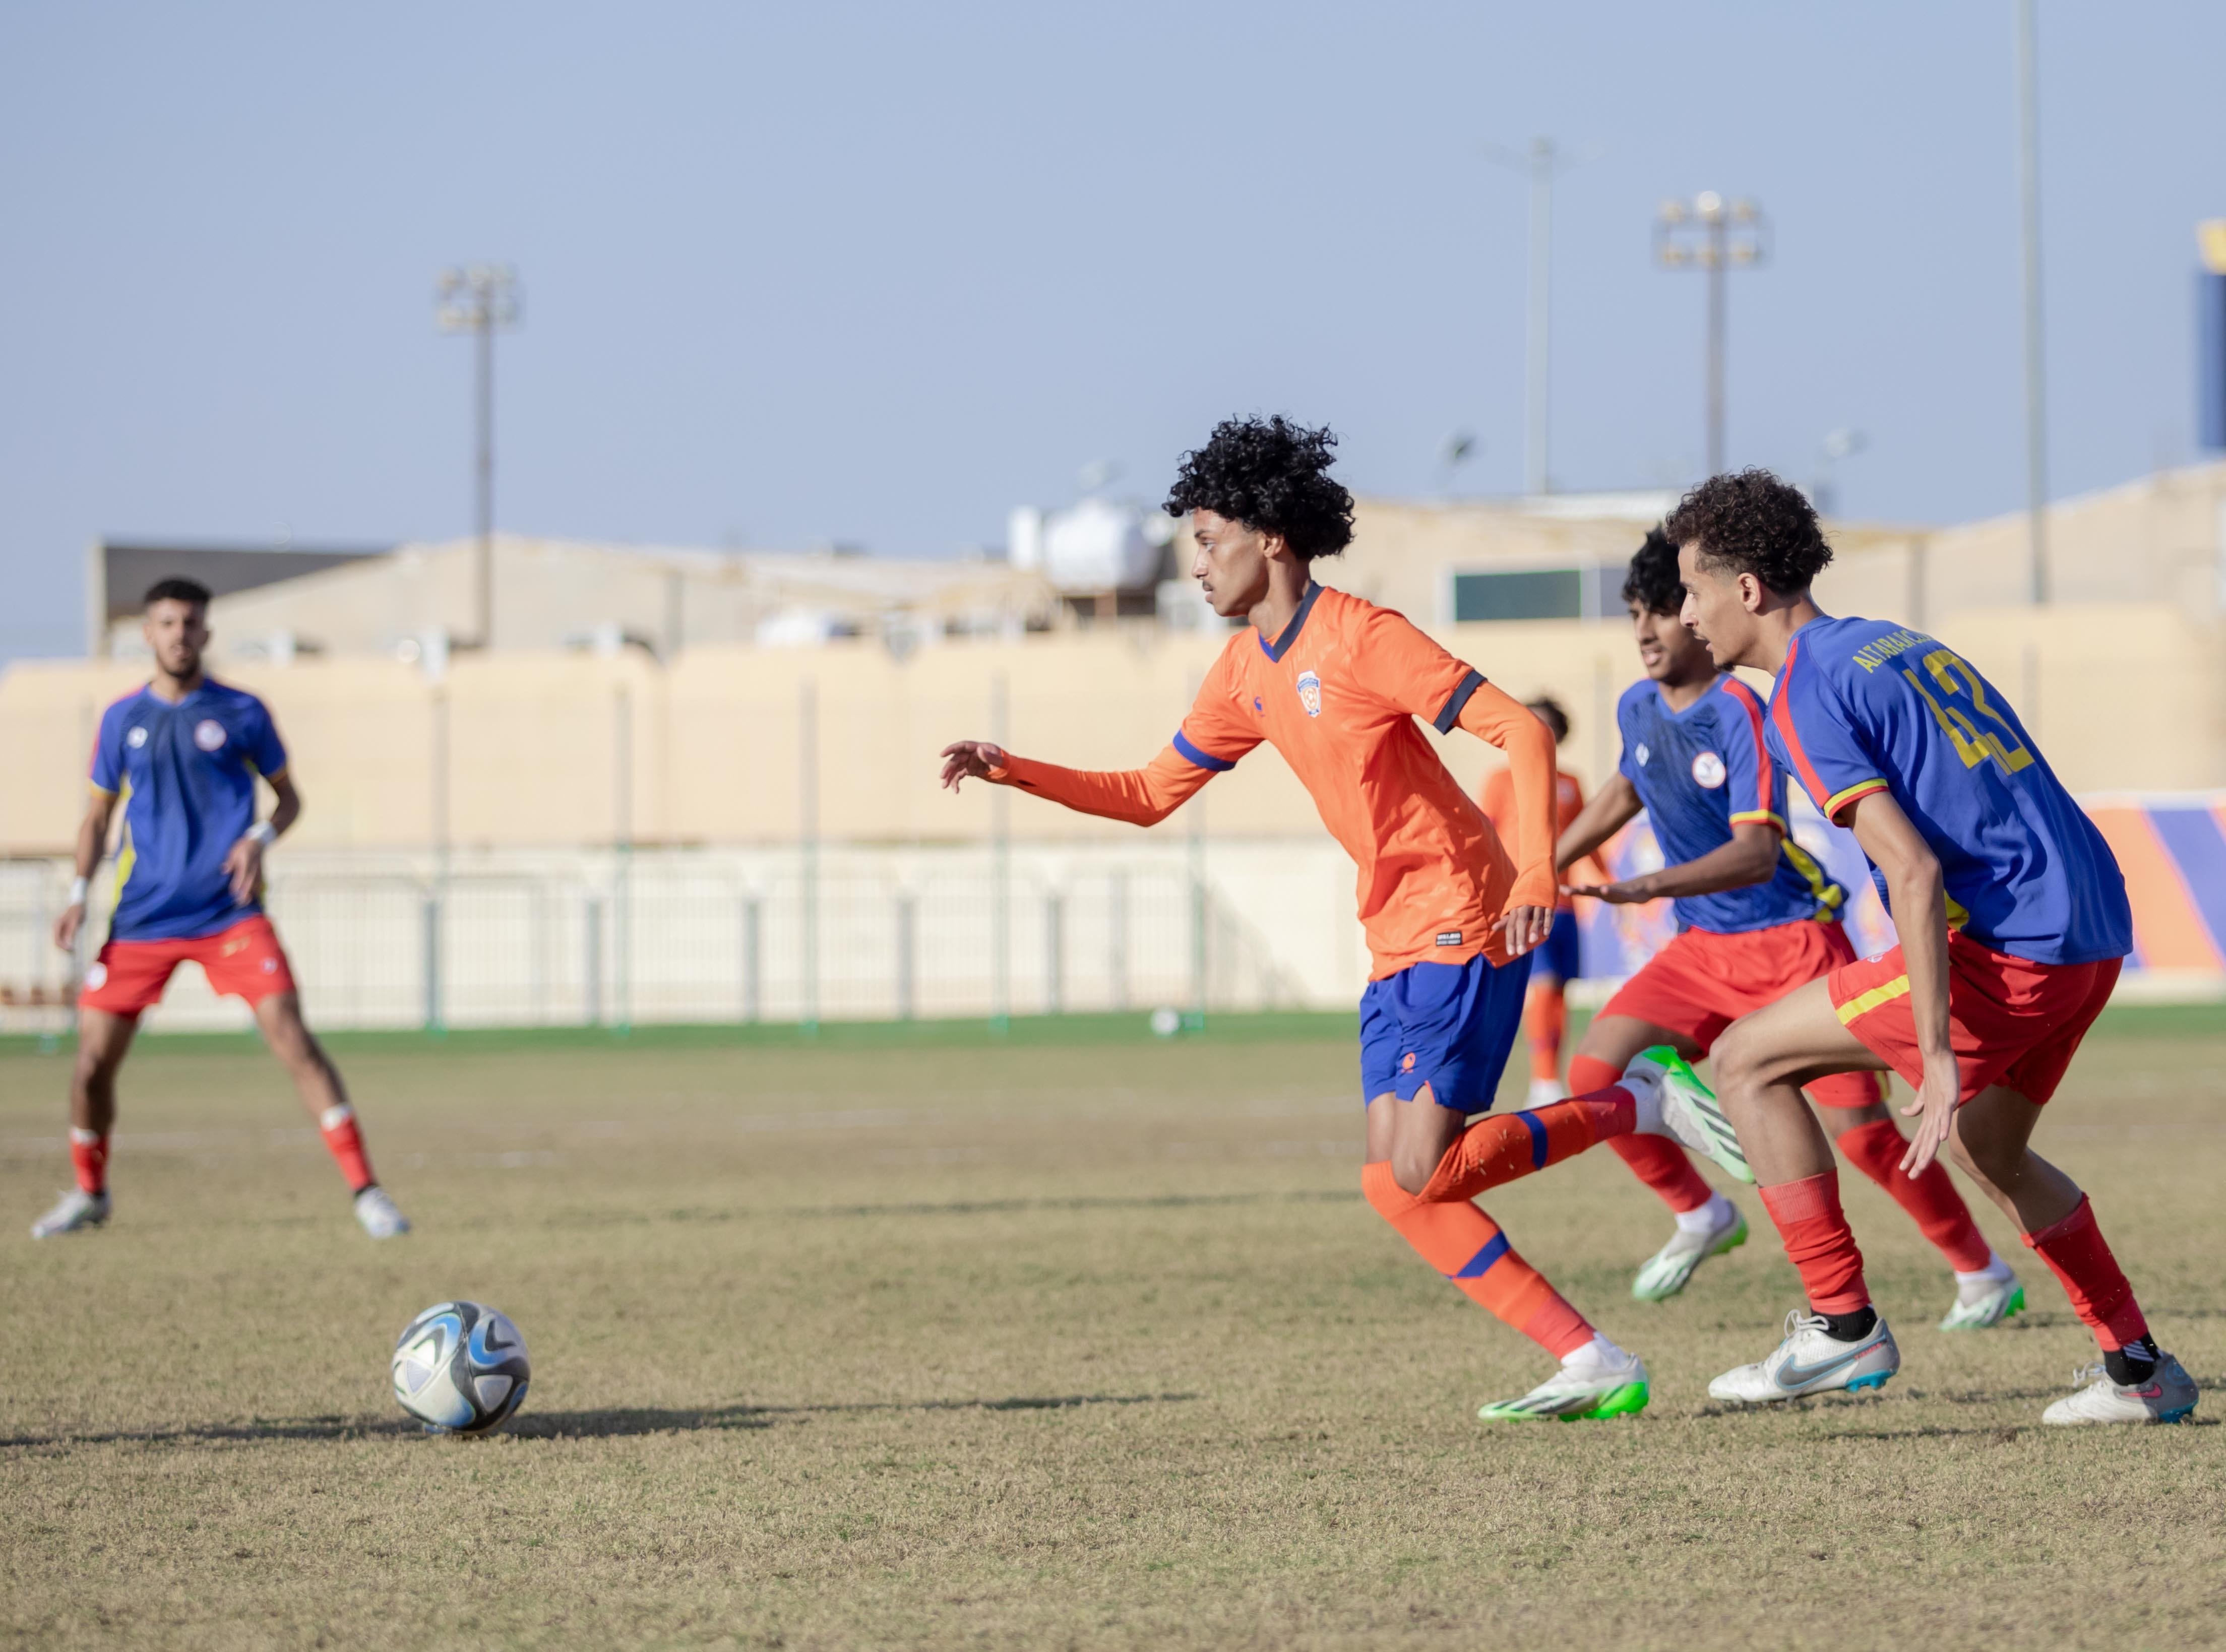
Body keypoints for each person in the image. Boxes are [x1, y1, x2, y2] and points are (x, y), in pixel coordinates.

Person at [938, 417, 1740, 1421]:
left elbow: (1520, 731)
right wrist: (1015, 768)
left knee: (1421, 1166)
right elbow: (1147, 794)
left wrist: (1536, 872)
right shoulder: (1243, 671)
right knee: (1394, 1186)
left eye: (1208, 539)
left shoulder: (1363, 636)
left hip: (1463, 914)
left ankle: (1639, 1103)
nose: (1196, 564)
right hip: (1392, 936)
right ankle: (1592, 1359)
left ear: (1270, 537)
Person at [1657, 471, 2193, 1425]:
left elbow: (1912, 869)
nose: (1686, 614)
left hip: (2014, 948)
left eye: (1693, 590)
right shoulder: (1893, 642)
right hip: (2091, 931)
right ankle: (2139, 1369)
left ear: (1745, 588)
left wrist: (1937, 1051)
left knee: (1742, 1059)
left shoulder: (1802, 694)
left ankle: (1841, 1324)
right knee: (1994, 1150)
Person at [1554, 528, 2020, 1322]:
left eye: (1662, 610)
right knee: (1594, 1074)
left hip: (1794, 946)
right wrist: (1538, 864)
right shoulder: (1637, 706)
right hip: (1702, 950)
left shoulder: (1741, 708)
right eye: (1635, 613)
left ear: (1698, 615)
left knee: (1865, 1136)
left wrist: (1649, 885)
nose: (1647, 630)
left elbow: (1757, 852)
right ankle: (1701, 1212)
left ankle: (1981, 1270)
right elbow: (1626, 787)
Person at [32, 578, 409, 1242]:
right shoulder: (121, 719)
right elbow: (96, 818)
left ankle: (367, 1192)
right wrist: (77, 893)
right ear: (148, 633)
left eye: (190, 623)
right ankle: (90, 1193)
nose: (179, 634)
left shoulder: (242, 711)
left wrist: (257, 838)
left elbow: (290, 800)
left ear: (206, 633)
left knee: (293, 1038)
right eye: (167, 622)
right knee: (90, 1067)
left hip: (229, 914)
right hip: (142, 919)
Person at [1478, 698, 1603, 1106]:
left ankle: (1551, 1078)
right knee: (1543, 986)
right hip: (1524, 901)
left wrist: (1613, 882)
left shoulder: (1571, 783)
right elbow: (1485, 834)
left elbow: (1589, 838)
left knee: (1561, 991)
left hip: (1563, 903)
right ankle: (1543, 1081)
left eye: (1545, 727)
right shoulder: (1501, 780)